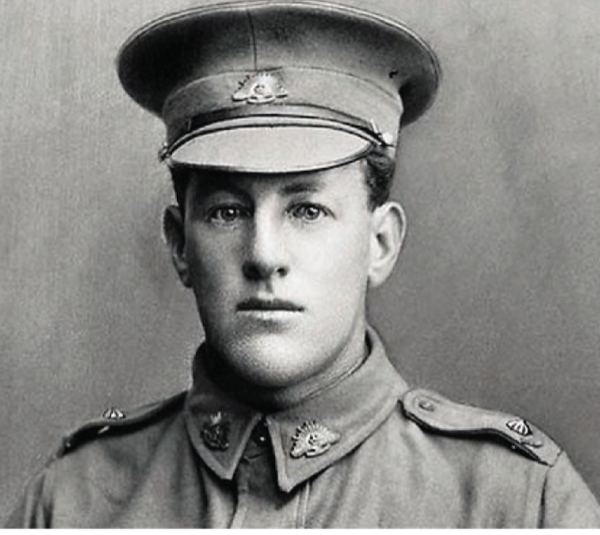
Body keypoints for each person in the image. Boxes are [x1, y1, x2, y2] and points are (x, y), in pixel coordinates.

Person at [4, 1, 600, 530]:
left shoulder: (518, 503)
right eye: (228, 211)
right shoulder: (75, 502)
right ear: (180, 245)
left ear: (380, 243)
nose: (264, 254)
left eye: (307, 210)